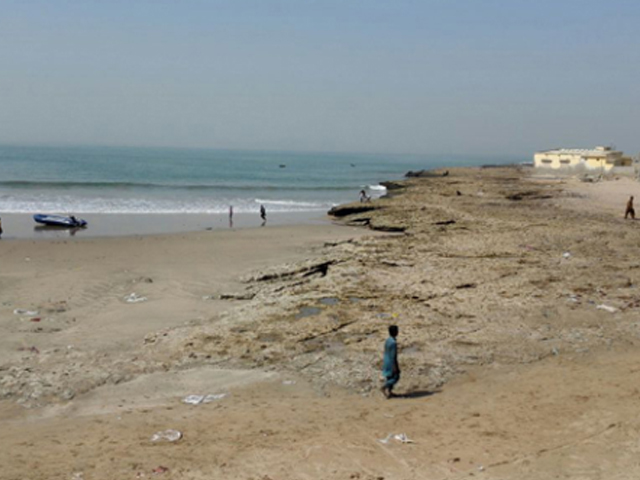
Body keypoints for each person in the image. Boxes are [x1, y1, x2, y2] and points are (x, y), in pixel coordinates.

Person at [381, 325, 400, 398]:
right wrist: (395, 366)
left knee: (389, 377)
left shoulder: (388, 340)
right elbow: (393, 356)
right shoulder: (393, 343)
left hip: (386, 360)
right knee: (396, 377)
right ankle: (384, 387)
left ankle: (389, 392)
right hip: (390, 362)